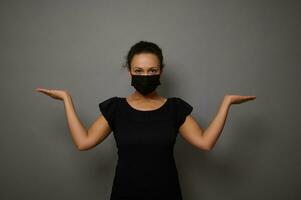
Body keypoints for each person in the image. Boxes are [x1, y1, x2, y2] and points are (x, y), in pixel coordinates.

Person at [35, 40, 256, 200]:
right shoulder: (116, 108)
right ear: (129, 72)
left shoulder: (174, 109)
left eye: (152, 70)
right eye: (139, 70)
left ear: (161, 72)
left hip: (166, 193)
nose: (145, 76)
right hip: (125, 193)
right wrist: (66, 100)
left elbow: (205, 143)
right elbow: (83, 142)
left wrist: (226, 103)